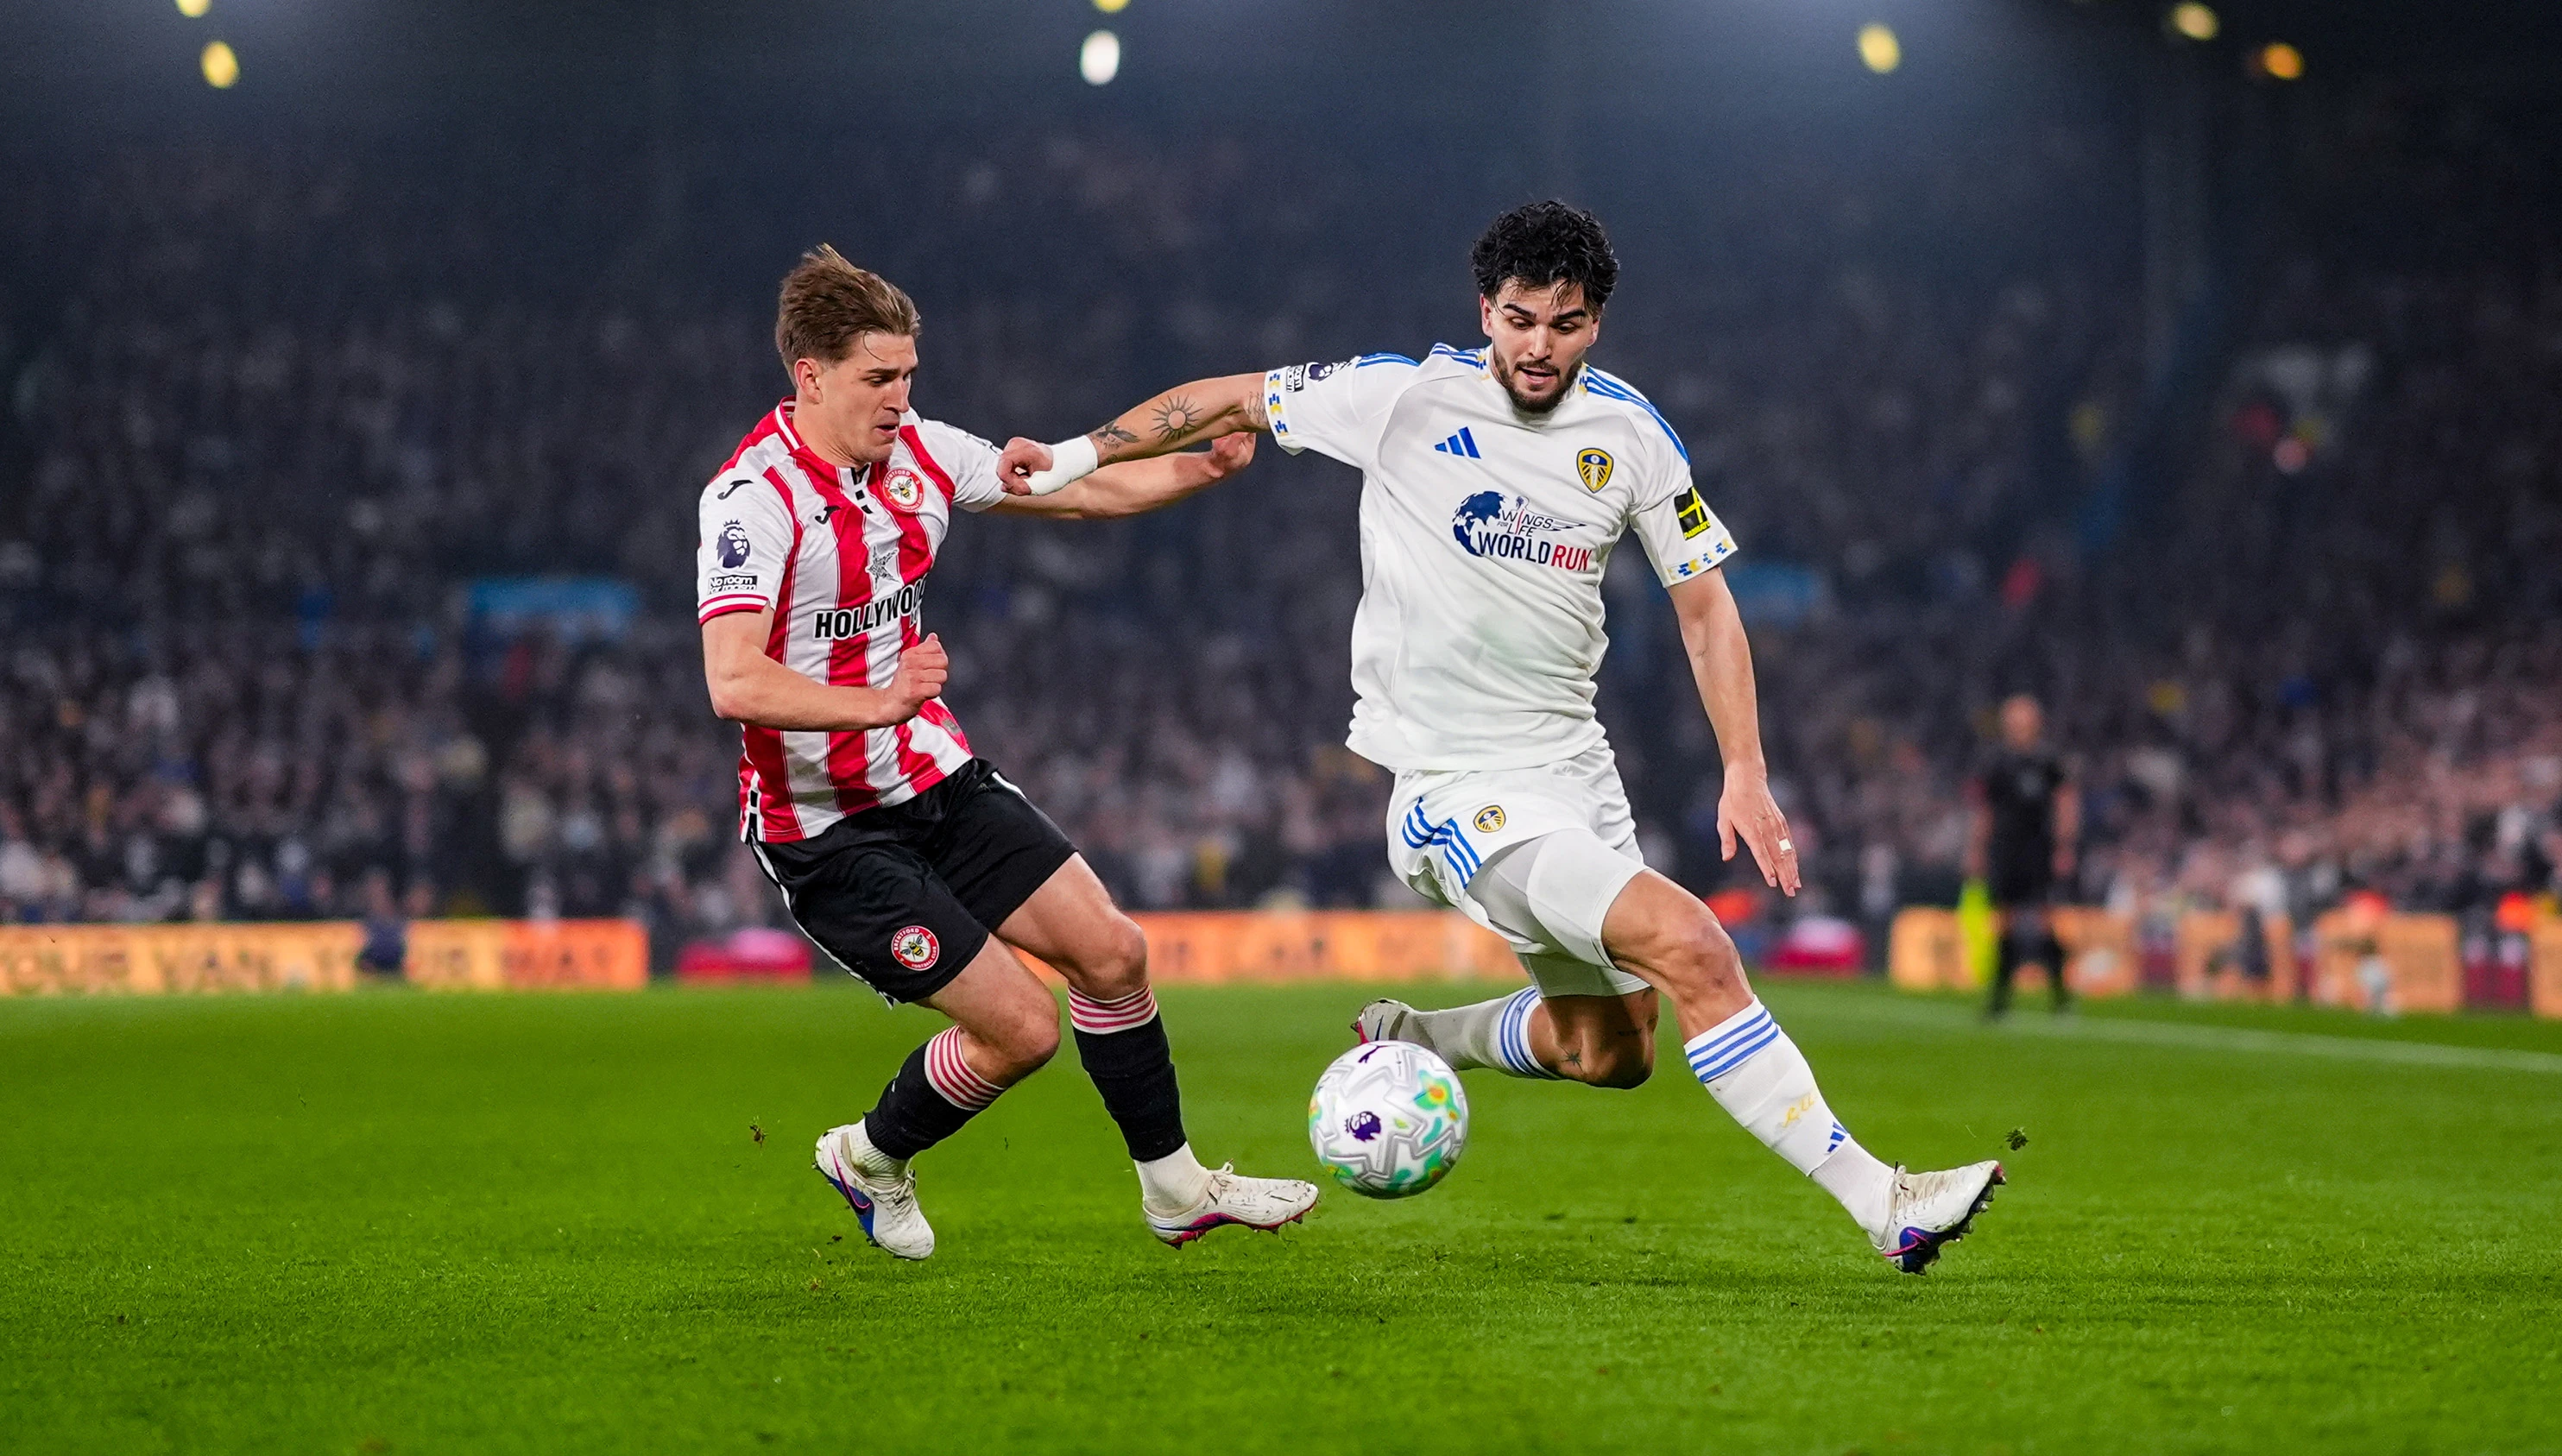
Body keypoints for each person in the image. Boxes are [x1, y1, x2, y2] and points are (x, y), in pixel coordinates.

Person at [1000, 203, 2004, 1274]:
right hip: (1454, 786)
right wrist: (1071, 456)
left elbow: (1706, 607)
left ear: (1595, 323)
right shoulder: (1400, 398)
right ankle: (1885, 1200)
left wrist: (1745, 770)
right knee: (1695, 945)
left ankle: (1428, 1037)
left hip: (1577, 771)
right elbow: (1228, 396)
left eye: (1564, 324)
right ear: (1485, 310)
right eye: (1519, 320)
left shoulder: (1632, 436)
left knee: (1613, 1052)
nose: (1537, 346)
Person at [697, 245, 1316, 1259]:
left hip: (933, 775)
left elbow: (1075, 494)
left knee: (1113, 953)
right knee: (1023, 1030)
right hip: (827, 828)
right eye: (878, 378)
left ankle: (1175, 1188)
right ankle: (870, 1156)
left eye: (909, 375)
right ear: (808, 375)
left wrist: (1195, 470)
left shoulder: (925, 452)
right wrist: (878, 701)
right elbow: (733, 680)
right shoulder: (751, 499)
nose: (901, 398)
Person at [1966, 694, 2079, 1018]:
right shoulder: (1996, 762)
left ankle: (2061, 997)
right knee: (2004, 923)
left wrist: (2064, 845)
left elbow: (2066, 802)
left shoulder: (2049, 761)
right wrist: (1977, 850)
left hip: (2038, 848)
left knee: (2045, 921)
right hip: (2005, 849)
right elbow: (1986, 811)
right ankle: (2000, 999)